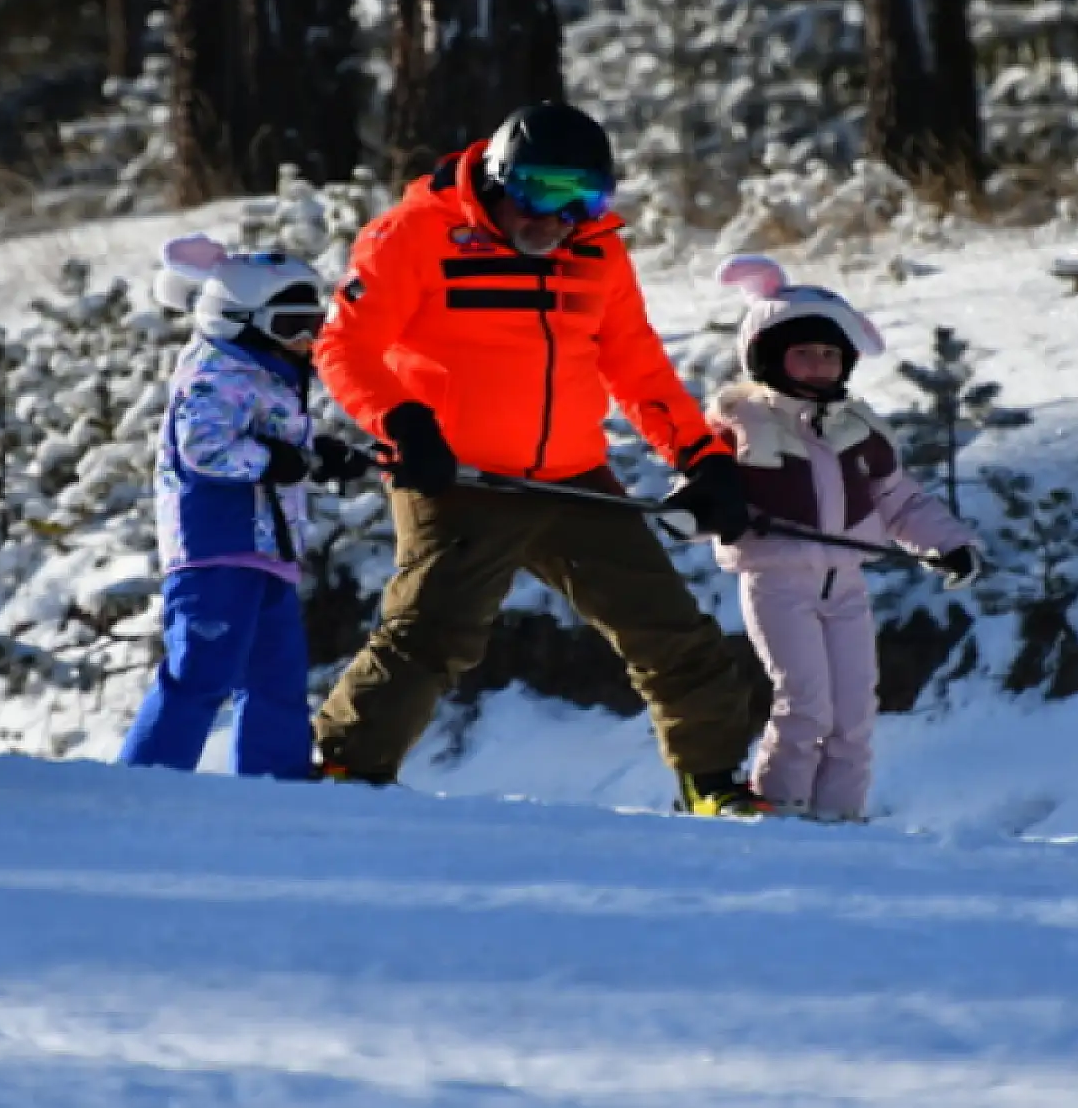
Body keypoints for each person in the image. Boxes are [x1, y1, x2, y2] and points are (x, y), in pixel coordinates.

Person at [311, 100, 770, 817]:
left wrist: (700, 458)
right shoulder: (413, 235)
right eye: (540, 193)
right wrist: (405, 423)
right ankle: (344, 772)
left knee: (671, 630)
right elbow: (345, 346)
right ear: (499, 179)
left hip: (570, 476)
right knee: (431, 633)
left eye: (582, 200)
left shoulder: (596, 250)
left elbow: (637, 368)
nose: (557, 218)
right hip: (459, 473)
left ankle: (711, 783)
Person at [706, 254, 984, 822]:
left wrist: (948, 544)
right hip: (778, 581)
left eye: (830, 354)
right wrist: (707, 512)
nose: (817, 365)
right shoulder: (743, 424)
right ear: (765, 354)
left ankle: (840, 820)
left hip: (847, 585)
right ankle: (780, 810)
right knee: (805, 705)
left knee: (854, 713)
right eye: (803, 352)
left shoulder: (858, 430)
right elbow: (700, 488)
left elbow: (898, 500)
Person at [119, 234, 372, 779]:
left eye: (314, 322)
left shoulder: (268, 373)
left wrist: (319, 455)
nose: (305, 339)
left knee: (277, 676)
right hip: (216, 547)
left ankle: (274, 778)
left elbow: (271, 445)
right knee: (201, 671)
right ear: (237, 319)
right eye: (289, 325)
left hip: (265, 550)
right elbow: (205, 448)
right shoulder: (215, 372)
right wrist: (277, 461)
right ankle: (145, 776)